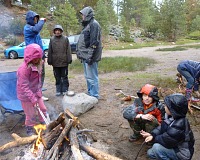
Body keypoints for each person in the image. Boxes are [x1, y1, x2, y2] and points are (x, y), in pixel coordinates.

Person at [141, 93, 195, 160]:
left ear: (172, 110)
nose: (164, 107)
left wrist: (153, 138)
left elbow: (166, 141)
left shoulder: (179, 125)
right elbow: (161, 127)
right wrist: (152, 134)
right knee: (150, 153)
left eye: (166, 106)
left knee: (156, 148)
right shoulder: (172, 117)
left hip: (182, 153)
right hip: (174, 145)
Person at [17, 43, 48, 136]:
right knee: (30, 114)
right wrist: (33, 99)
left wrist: (38, 91)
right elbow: (24, 86)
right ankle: (29, 128)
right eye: (35, 58)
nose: (37, 60)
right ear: (29, 57)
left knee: (43, 108)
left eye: (38, 57)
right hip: (25, 95)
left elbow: (38, 80)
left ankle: (44, 123)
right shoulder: (23, 69)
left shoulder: (39, 63)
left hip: (35, 92)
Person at [76, 6, 102, 99]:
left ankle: (94, 95)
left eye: (83, 14)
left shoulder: (94, 24)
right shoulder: (88, 24)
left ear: (87, 15)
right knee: (88, 76)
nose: (82, 16)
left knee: (92, 77)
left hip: (90, 56)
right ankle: (90, 92)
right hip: (85, 56)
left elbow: (94, 42)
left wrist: (90, 57)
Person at [24, 10, 48, 101]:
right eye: (35, 19)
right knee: (34, 75)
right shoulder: (28, 28)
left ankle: (39, 93)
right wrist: (42, 21)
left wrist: (43, 56)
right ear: (30, 19)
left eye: (37, 19)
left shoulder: (34, 29)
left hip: (38, 56)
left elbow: (39, 43)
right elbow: (36, 29)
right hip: (32, 57)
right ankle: (34, 95)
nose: (36, 20)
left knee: (41, 74)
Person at [47, 25, 72, 96]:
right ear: (54, 31)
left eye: (59, 30)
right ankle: (58, 89)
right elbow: (50, 51)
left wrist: (69, 59)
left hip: (64, 61)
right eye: (56, 30)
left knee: (64, 76)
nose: (57, 32)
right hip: (55, 62)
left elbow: (68, 50)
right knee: (57, 77)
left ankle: (65, 89)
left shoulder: (65, 39)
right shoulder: (52, 39)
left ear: (61, 31)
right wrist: (50, 60)